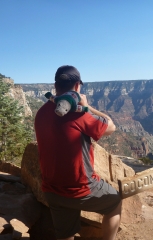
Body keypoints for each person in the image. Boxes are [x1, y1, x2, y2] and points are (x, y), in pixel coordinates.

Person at [35, 65, 122, 240]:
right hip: (81, 189)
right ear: (77, 86)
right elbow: (111, 126)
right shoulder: (78, 114)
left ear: (55, 86)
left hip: (51, 188)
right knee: (114, 202)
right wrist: (88, 107)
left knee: (65, 233)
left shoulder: (41, 112)